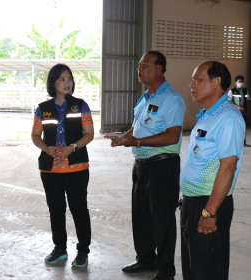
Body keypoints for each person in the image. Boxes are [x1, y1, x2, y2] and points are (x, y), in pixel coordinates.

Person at [105, 51, 185, 280]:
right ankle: (145, 259)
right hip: (141, 164)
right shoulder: (145, 97)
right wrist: (125, 137)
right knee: (141, 216)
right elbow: (138, 125)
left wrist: (137, 140)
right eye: (139, 64)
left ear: (159, 69)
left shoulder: (171, 98)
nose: (140, 68)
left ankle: (166, 269)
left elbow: (172, 136)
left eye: (145, 65)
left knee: (163, 219)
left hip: (163, 166)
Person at [180, 61, 245, 280]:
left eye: (197, 79)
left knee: (208, 270)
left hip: (209, 203)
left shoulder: (228, 118)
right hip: (194, 201)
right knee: (193, 267)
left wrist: (210, 212)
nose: (191, 84)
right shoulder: (209, 114)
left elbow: (228, 168)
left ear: (216, 82)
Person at [31, 64, 94, 269]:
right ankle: (59, 248)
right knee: (56, 209)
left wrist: (71, 148)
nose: (68, 83)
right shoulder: (43, 108)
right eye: (62, 79)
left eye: (70, 79)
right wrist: (48, 150)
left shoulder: (81, 105)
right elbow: (35, 136)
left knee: (79, 209)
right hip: (50, 170)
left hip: (76, 167)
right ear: (53, 83)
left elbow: (89, 134)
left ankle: (83, 251)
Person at [227, 75, 250, 147]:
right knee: (235, 127)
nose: (241, 83)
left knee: (243, 127)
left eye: (242, 82)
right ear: (235, 83)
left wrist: (246, 110)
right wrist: (237, 107)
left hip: (244, 112)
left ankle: (243, 142)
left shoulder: (245, 90)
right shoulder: (232, 91)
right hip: (235, 112)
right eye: (239, 82)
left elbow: (248, 100)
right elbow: (229, 101)